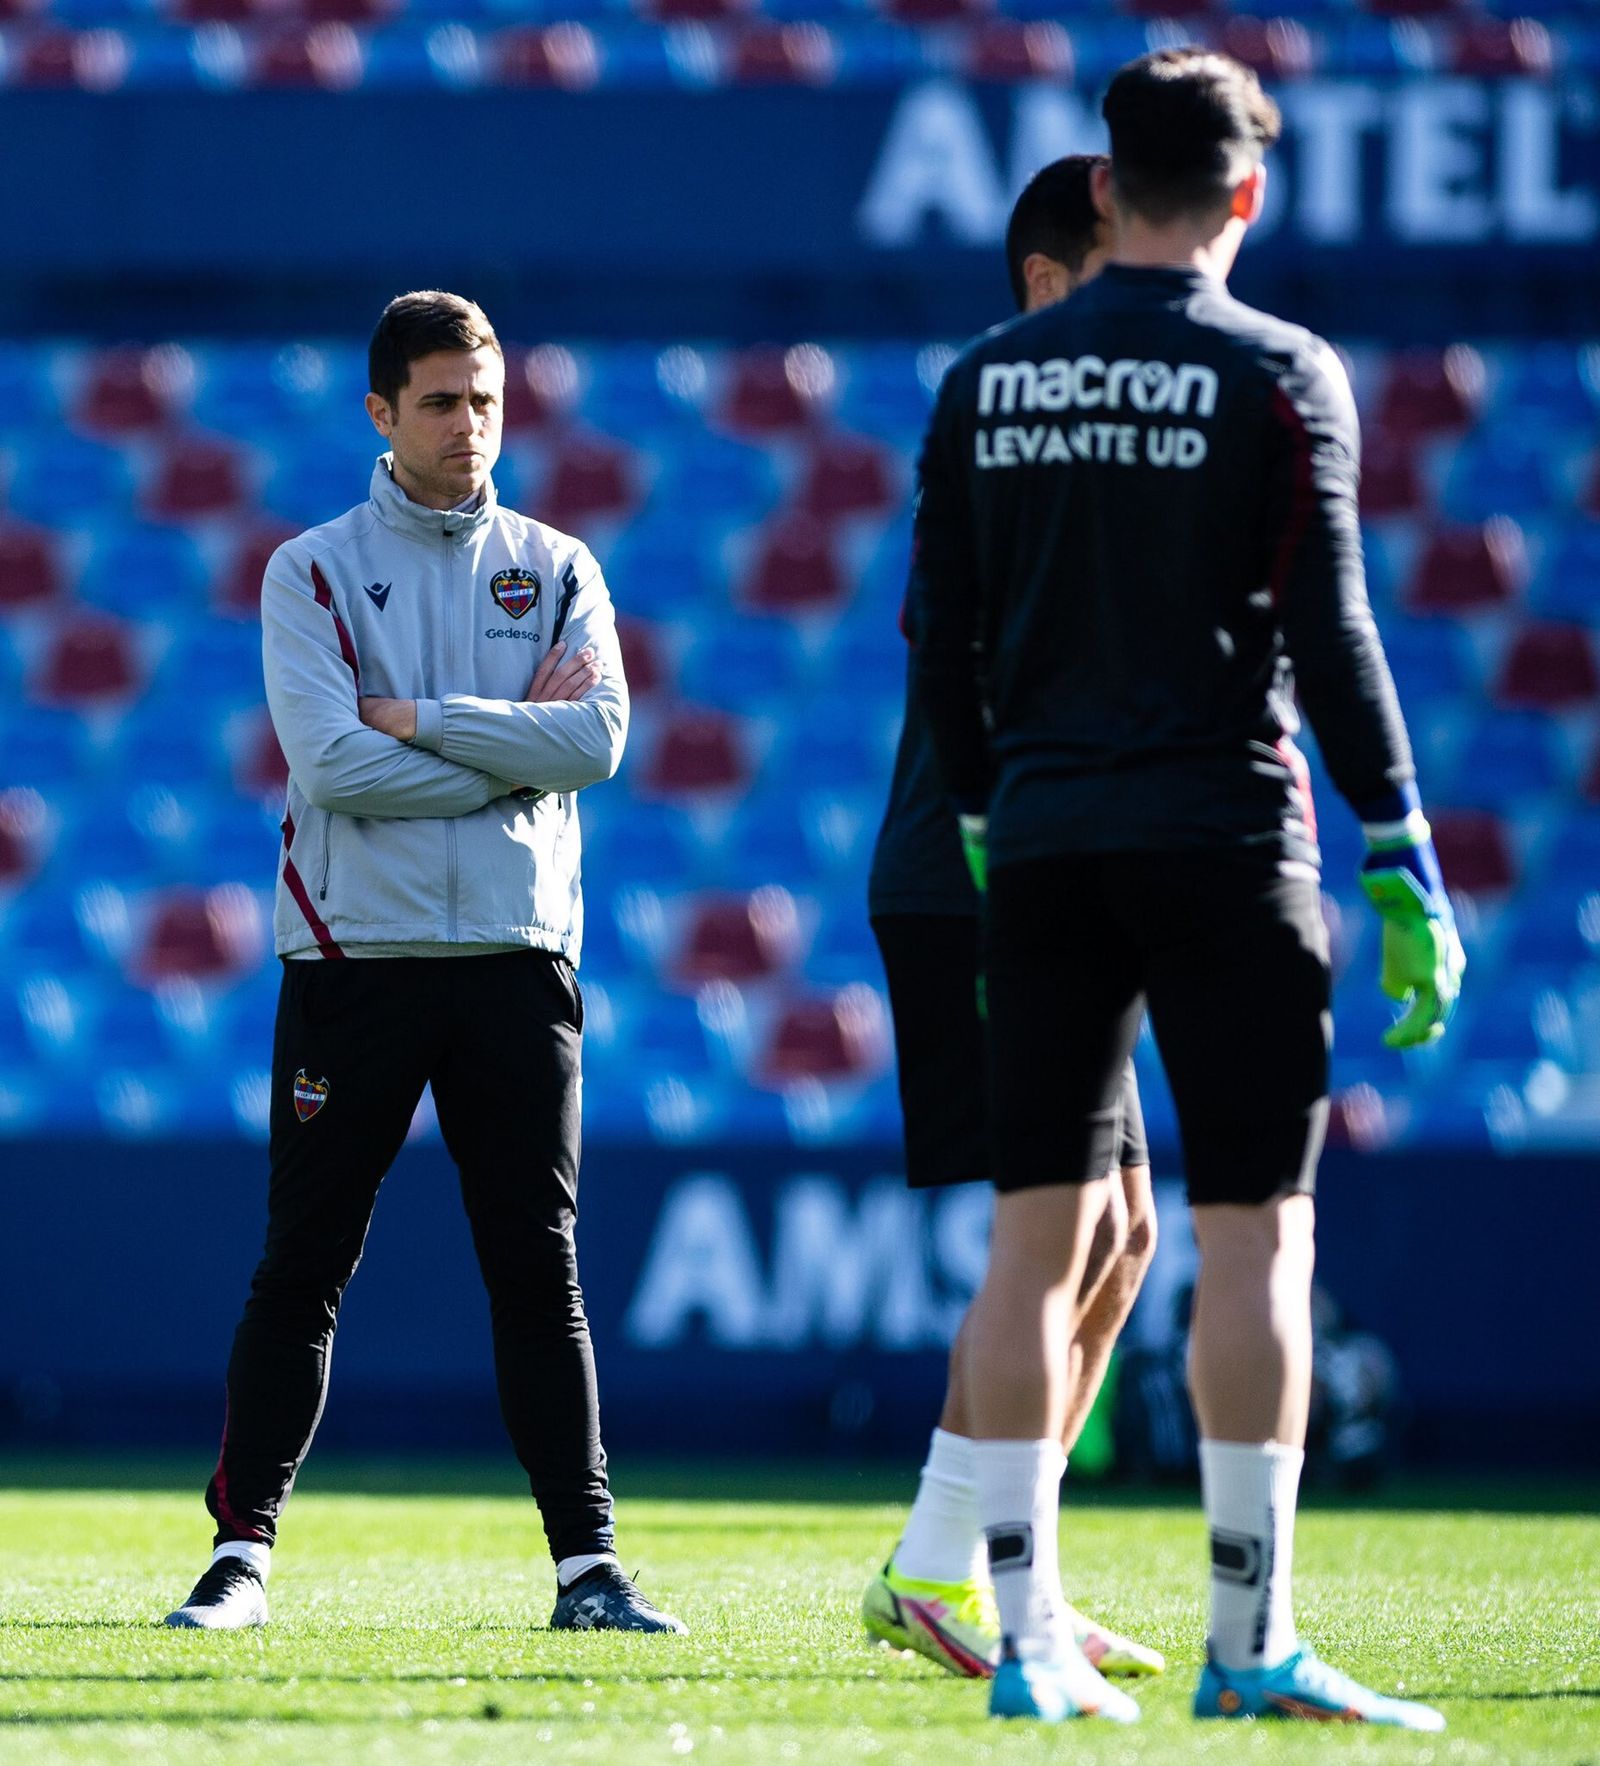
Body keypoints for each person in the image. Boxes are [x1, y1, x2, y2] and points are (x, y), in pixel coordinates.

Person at [911, 51, 1464, 1727]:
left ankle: (1021, 1646)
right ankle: (1251, 1639)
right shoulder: (1282, 370)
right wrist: (1400, 842)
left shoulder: (988, 380)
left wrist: (996, 822)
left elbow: (945, 639)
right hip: (1228, 838)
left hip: (1052, 843)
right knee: (1256, 1238)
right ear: (1247, 194)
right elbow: (1334, 633)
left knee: (1031, 1247)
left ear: (1102, 189)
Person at [163, 291, 684, 1637]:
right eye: (443, 401)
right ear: (382, 412)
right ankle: (241, 1556)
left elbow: (601, 744)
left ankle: (589, 1569)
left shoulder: (559, 563)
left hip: (517, 960)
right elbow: (330, 760)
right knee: (305, 1261)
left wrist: (426, 722)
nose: (471, 426)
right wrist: (506, 751)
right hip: (358, 957)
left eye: (488, 400)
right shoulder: (314, 570)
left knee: (538, 1268)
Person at [862, 156, 1163, 1685]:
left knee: (1124, 1231)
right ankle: (959, 1574)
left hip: (1068, 871)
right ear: (1050, 282)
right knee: (1053, 1236)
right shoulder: (997, 421)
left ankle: (986, 1563)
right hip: (975, 875)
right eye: (1128, 258)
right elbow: (968, 654)